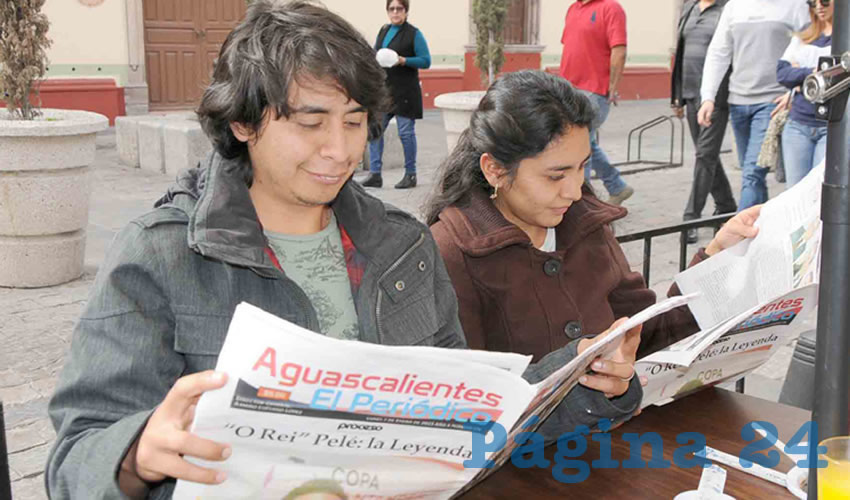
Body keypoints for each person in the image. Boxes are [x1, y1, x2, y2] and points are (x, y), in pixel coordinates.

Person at [46, 3, 643, 498]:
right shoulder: (161, 255)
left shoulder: (402, 246)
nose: (339, 150)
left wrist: (576, 379)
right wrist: (137, 452)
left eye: (355, 122)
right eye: (311, 123)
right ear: (245, 123)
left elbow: (468, 422)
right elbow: (74, 460)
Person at [426, 70, 762, 366]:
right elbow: (469, 398)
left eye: (582, 167)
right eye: (556, 176)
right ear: (495, 170)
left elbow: (643, 336)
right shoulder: (451, 254)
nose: (574, 191)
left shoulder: (586, 224)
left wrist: (717, 255)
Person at [698, 0, 810, 209]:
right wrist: (708, 97)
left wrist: (793, 90)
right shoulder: (734, 7)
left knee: (752, 172)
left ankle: (738, 237)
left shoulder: (795, 6)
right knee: (752, 174)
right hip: (738, 102)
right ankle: (760, 230)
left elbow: (808, 49)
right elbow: (718, 52)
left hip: (772, 102)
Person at [671, 0, 737, 244]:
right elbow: (680, 52)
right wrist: (677, 96)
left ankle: (691, 218)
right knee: (706, 155)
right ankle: (727, 206)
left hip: (715, 97)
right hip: (690, 94)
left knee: (705, 156)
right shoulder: (689, 8)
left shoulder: (726, 10)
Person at [558, 0, 635, 206]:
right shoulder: (573, 9)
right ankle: (617, 187)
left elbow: (619, 50)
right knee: (585, 143)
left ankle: (583, 204)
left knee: (579, 146)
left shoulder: (610, 8)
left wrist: (612, 86)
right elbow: (571, 49)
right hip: (569, 89)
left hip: (594, 90)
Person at [360, 0, 431, 190]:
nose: (395, 12)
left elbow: (426, 61)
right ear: (387, 12)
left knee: (405, 133)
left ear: (406, 11)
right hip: (385, 91)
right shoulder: (384, 30)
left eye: (399, 8)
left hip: (406, 91)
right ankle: (375, 175)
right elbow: (376, 54)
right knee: (375, 131)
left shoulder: (414, 34)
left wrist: (403, 60)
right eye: (391, 9)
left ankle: (410, 174)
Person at [778, 0, 833, 187]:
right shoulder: (804, 35)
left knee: (820, 193)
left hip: (831, 127)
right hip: (798, 125)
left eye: (825, 1)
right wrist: (810, 72)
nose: (819, 6)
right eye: (812, 2)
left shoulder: (844, 38)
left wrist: (801, 78)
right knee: (794, 194)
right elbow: (782, 73)